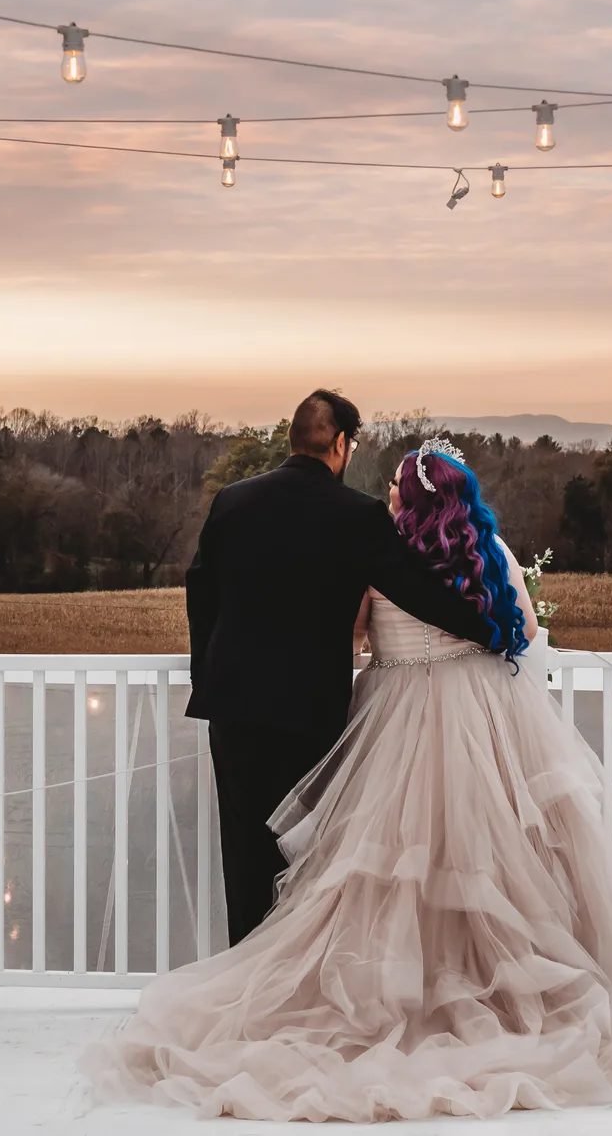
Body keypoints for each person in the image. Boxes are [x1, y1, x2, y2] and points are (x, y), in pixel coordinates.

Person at [85, 437, 612, 1120]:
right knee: (494, 857)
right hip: (483, 717)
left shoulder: (383, 559)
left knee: (387, 867)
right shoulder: (492, 557)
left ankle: (399, 989)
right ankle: (494, 988)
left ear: (407, 497)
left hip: (398, 718)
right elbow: (522, 630)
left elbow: (350, 639)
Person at [182, 389, 494, 943]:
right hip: (310, 713)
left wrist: (206, 677)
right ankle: (294, 984)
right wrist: (493, 628)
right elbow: (414, 589)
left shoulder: (232, 499)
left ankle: (244, 986)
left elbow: (200, 591)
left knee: (244, 856)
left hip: (233, 710)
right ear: (343, 444)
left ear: (293, 438)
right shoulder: (357, 514)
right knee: (306, 860)